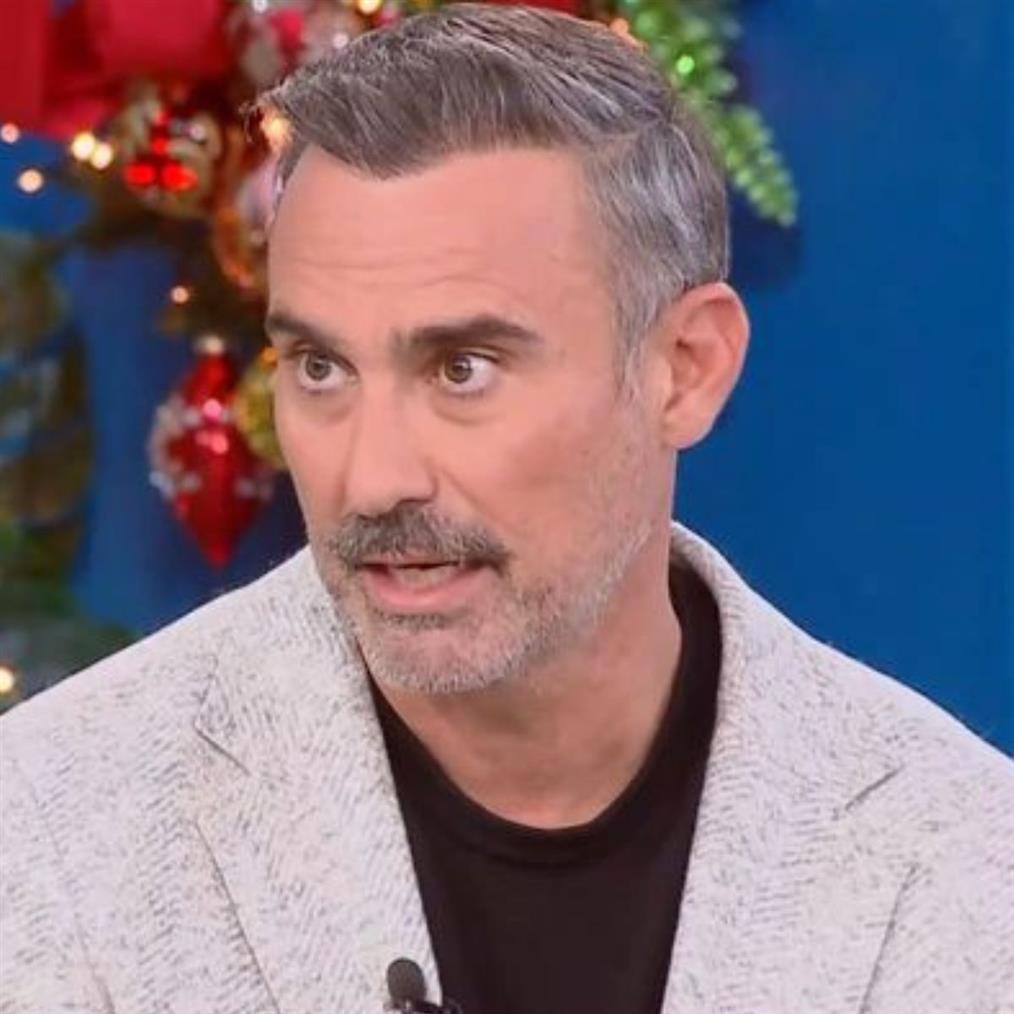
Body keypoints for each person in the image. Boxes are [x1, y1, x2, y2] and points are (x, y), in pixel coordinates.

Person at [2, 5, 1012, 1013]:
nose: (373, 479)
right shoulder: (50, 833)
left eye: (463, 369)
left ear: (686, 367)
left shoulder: (963, 870)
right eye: (320, 367)